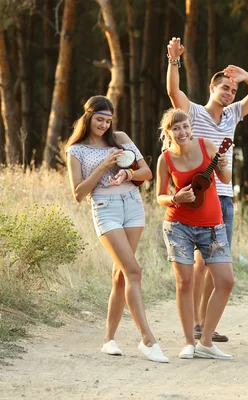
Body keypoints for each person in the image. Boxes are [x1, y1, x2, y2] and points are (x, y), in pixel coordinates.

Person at [166, 37, 248, 343]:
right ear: (213, 88)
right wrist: (174, 60)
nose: (230, 92)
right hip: (199, 199)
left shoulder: (234, 114)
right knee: (200, 263)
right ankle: (196, 322)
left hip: (225, 197)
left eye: (233, 90)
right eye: (225, 87)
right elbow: (173, 91)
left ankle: (204, 323)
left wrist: (244, 75)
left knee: (214, 264)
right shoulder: (193, 113)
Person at [65, 95, 168, 363]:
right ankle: (148, 339)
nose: (104, 125)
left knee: (121, 277)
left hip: (132, 206)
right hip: (104, 208)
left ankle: (109, 340)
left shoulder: (120, 137)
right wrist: (103, 166)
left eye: (108, 120)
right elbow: (78, 193)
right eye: (100, 119)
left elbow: (146, 172)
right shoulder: (75, 150)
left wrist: (127, 174)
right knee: (133, 270)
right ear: (88, 117)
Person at [156, 108, 235, 360]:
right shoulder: (165, 159)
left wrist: (223, 165)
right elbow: (159, 196)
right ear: (168, 132)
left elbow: (224, 177)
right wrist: (175, 197)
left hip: (212, 226)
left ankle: (206, 342)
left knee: (226, 281)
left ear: (191, 128)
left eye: (185, 126)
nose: (182, 132)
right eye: (176, 128)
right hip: (178, 225)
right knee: (185, 283)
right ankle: (189, 342)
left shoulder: (207, 145)